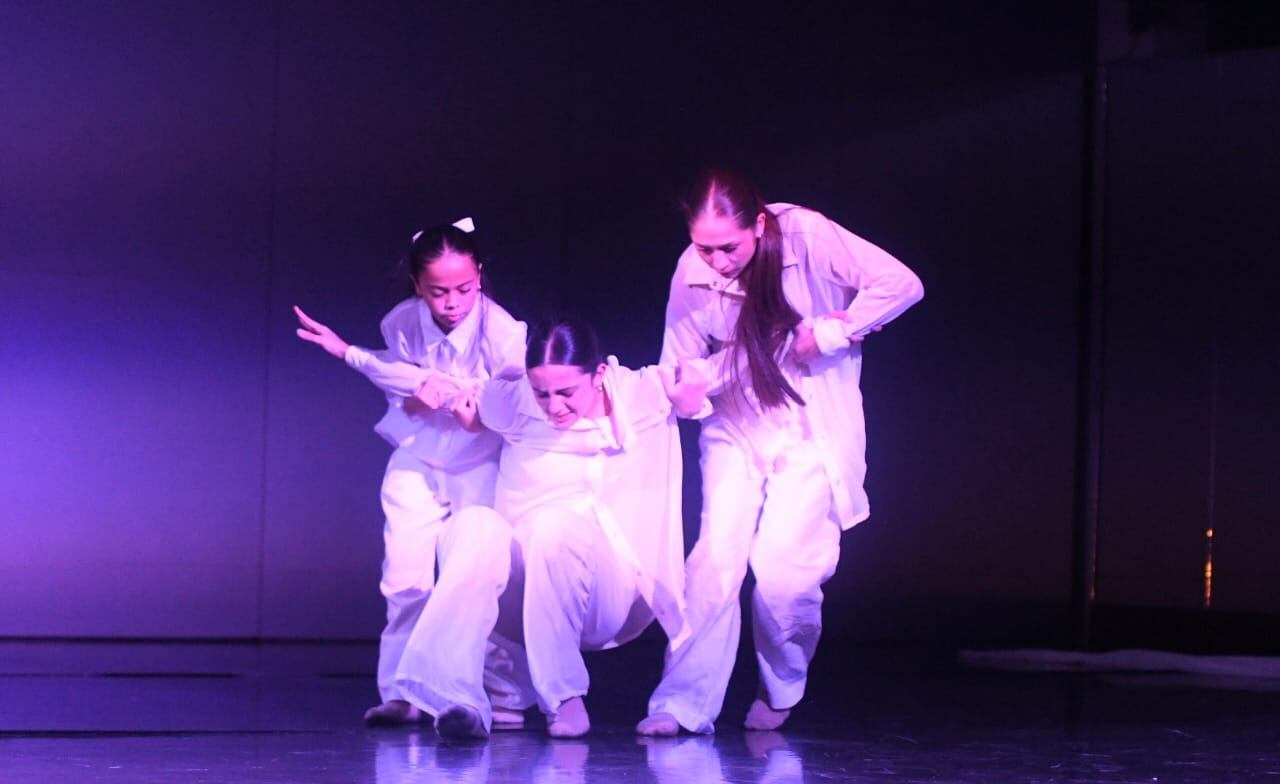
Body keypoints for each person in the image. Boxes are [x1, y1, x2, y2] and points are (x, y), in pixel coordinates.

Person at [637, 169, 924, 736]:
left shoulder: (806, 236)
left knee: (783, 576)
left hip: (809, 424)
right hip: (736, 423)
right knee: (714, 561)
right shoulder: (692, 269)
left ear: (758, 224)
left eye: (728, 247)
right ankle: (682, 703)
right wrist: (688, 394)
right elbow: (680, 362)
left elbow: (900, 284)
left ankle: (782, 684)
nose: (716, 261)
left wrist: (835, 331)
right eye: (704, 247)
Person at [294, 218, 535, 733]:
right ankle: (403, 693)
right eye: (438, 292)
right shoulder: (402, 323)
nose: (452, 303)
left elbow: (516, 404)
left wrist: (477, 414)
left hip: (481, 461)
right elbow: (398, 387)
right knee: (405, 578)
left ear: (480, 275)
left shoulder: (503, 332)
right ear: (417, 285)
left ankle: (497, 691)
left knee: (477, 574)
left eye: (464, 289)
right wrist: (413, 396)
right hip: (418, 455)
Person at [440, 317, 708, 738]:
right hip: (527, 593)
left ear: (598, 375)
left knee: (554, 524)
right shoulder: (511, 401)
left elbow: (717, 373)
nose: (553, 406)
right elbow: (462, 394)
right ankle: (455, 696)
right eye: (542, 392)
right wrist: (466, 414)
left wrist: (693, 396)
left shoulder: (640, 393)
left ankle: (563, 700)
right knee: (471, 525)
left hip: (610, 593)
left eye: (566, 392)